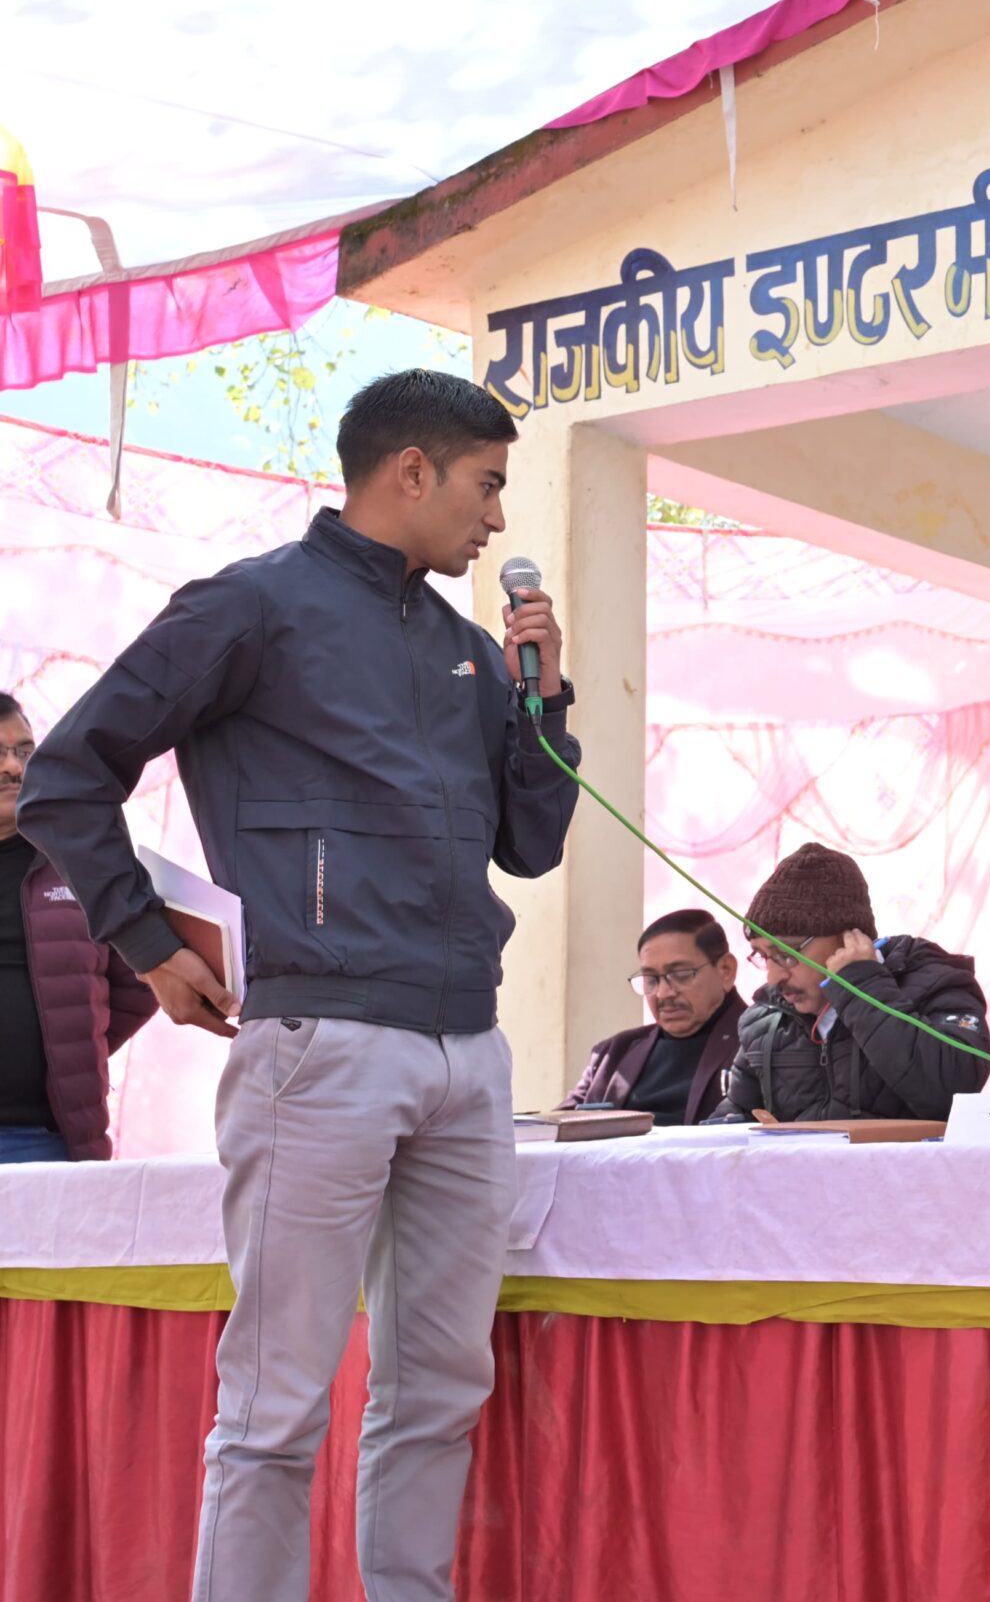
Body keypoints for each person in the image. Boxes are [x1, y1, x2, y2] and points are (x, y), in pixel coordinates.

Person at [18, 369, 580, 1602]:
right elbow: (67, 773)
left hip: (468, 1049)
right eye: (486, 484)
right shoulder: (252, 605)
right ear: (412, 470)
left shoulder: (470, 652)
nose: (497, 518)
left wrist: (543, 697)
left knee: (441, 1388)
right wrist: (146, 940)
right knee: (275, 1400)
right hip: (322, 1039)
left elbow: (532, 845)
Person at [711, 842, 990, 1122]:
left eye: (787, 955)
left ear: (849, 937)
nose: (773, 978)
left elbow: (954, 1092)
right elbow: (735, 1117)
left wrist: (863, 986)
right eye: (763, 956)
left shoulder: (935, 983)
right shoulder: (765, 1020)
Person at [0, 692, 158, 1162]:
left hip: (47, 1140)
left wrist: (73, 1048)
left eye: (24, 751)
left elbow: (144, 976)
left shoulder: (81, 861)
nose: (13, 767)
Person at [557, 908, 746, 1126]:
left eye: (681, 974)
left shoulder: (758, 1046)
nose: (663, 993)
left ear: (726, 970)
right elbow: (556, 1127)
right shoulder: (614, 1053)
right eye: (651, 979)